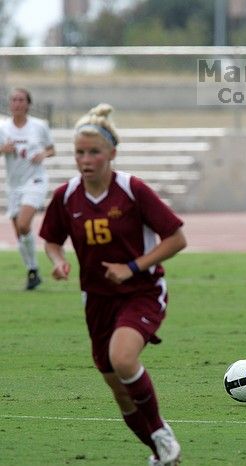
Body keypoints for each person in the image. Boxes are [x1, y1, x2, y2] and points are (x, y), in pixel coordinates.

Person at [39, 104, 186, 466]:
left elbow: (176, 238)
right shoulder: (66, 195)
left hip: (142, 292)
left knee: (122, 359)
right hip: (97, 301)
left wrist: (132, 267)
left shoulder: (131, 190)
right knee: (120, 393)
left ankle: (161, 434)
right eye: (79, 152)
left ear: (111, 154)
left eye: (94, 152)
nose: (85, 159)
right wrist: (58, 262)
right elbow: (51, 240)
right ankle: (161, 454)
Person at [0, 88, 55, 290]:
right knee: (20, 232)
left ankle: (33, 269)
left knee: (24, 225)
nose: (17, 103)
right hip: (14, 185)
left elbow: (51, 149)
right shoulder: (3, 127)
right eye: (14, 100)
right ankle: (33, 271)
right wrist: (2, 150)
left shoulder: (39, 126)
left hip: (35, 181)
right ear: (10, 104)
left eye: (21, 100)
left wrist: (43, 154)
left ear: (28, 104)